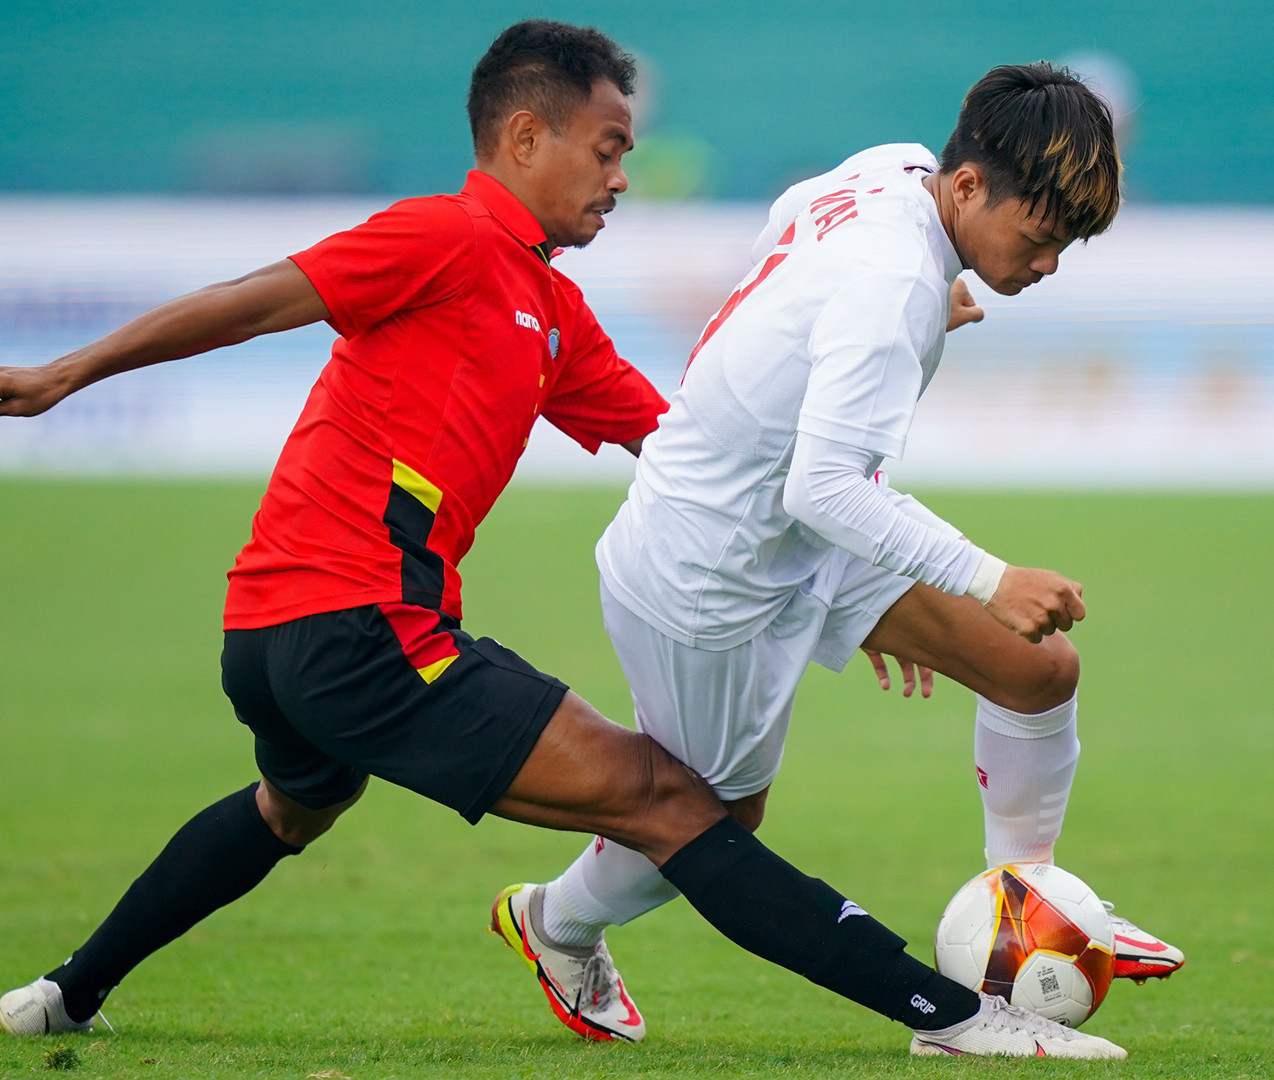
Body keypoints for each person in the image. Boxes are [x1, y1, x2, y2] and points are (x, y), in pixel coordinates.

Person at [0, 23, 1122, 1061]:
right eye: (608, 150)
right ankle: (956, 1018)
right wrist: (67, 372)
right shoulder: (440, 236)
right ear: (525, 136)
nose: (623, 177)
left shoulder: (549, 313)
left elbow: (696, 446)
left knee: (290, 809)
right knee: (676, 806)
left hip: (269, 629)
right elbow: (256, 299)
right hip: (369, 632)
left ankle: (68, 993)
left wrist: (843, 582)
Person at [494, 62, 1183, 1051]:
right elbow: (825, 487)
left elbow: (788, 235)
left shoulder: (895, 174)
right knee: (718, 818)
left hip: (800, 531)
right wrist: (993, 578)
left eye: (1066, 247)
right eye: (1039, 241)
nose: (1046, 268)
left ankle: (1024, 902)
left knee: (1036, 672)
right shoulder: (890, 282)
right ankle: (554, 922)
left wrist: (885, 325)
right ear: (971, 188)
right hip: (710, 564)